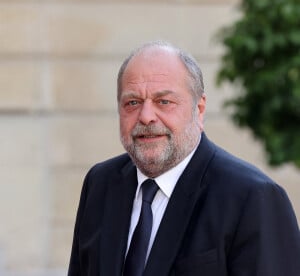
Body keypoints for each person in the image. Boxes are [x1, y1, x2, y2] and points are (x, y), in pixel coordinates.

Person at [68, 41, 300, 276]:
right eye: (133, 103)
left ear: (199, 110)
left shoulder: (251, 197)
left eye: (164, 102)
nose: (146, 116)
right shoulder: (100, 184)